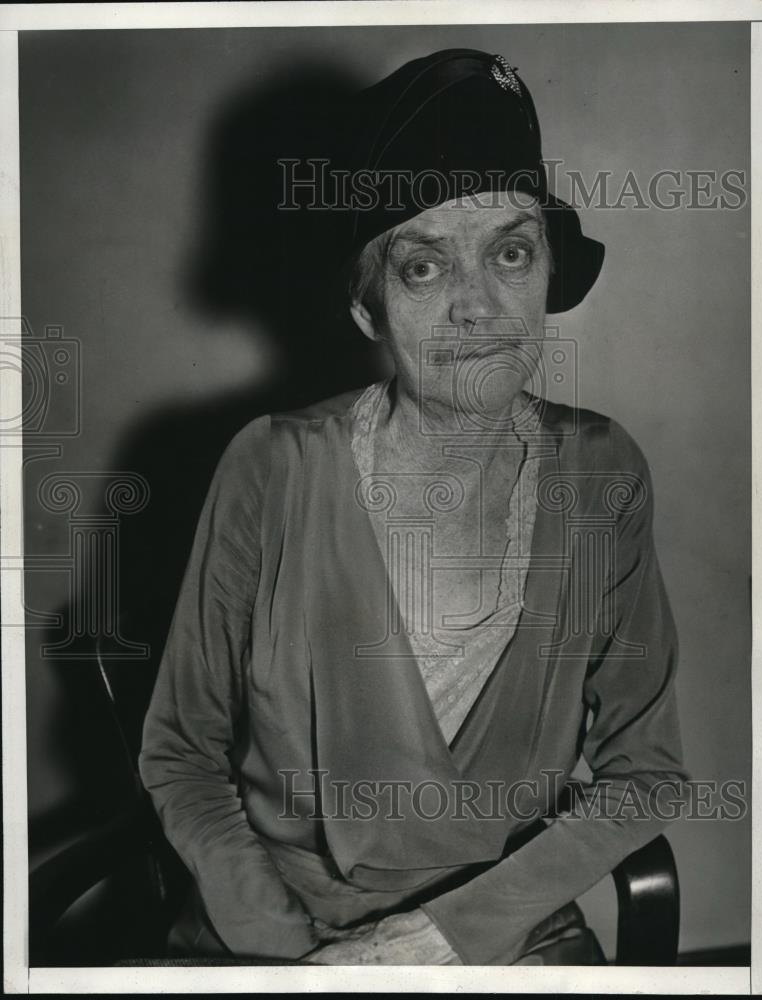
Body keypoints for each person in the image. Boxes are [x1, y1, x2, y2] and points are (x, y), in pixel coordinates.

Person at [138, 48, 689, 966]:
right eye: (424, 268)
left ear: (549, 271)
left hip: (497, 928)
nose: (479, 307)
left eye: (510, 253)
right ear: (369, 307)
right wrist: (296, 958)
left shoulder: (603, 474)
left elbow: (647, 777)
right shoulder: (270, 467)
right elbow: (182, 756)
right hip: (274, 929)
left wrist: (437, 940)